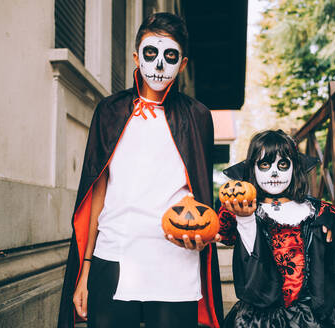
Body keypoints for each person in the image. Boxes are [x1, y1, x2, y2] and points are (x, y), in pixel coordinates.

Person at [57, 13, 223, 328]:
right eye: (151, 53)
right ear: (137, 57)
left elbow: (200, 191)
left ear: (183, 64)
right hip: (114, 259)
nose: (159, 65)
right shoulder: (110, 111)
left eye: (170, 56)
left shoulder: (198, 117)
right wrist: (85, 271)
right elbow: (97, 192)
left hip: (175, 265)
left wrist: (202, 237)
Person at [218, 129, 335, 327]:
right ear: (253, 168)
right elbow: (223, 235)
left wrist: (333, 225)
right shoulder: (239, 209)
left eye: (283, 164)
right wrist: (244, 218)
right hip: (258, 316)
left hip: (310, 316)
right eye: (265, 165)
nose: (275, 172)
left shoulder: (318, 211)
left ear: (294, 168)